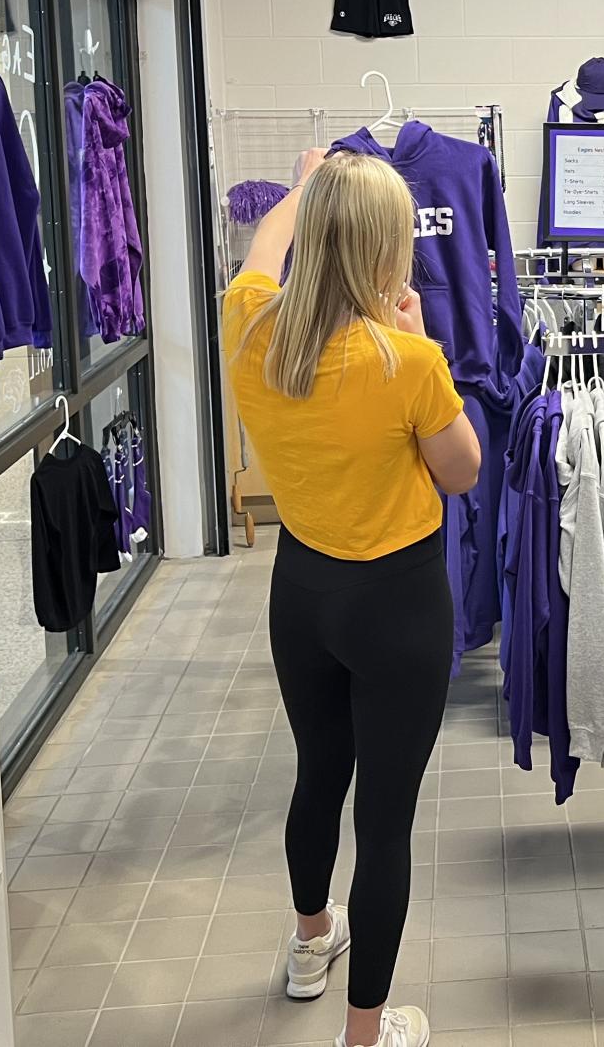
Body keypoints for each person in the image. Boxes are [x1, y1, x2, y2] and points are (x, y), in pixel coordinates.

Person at [221, 149, 482, 1047]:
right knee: (386, 819)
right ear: (387, 255)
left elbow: (263, 245)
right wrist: (422, 337)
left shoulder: (250, 324)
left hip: (302, 594)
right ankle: (365, 1035)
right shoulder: (407, 361)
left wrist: (305, 181)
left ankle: (307, 945)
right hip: (397, 605)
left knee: (317, 775)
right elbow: (461, 471)